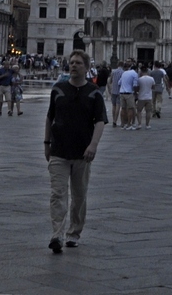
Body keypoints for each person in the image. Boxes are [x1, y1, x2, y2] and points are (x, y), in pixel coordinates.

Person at [45, 49, 106, 253]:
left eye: (78, 63)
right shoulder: (58, 89)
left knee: (79, 196)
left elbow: (99, 121)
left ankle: (73, 233)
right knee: (57, 194)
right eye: (71, 62)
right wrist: (47, 143)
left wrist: (93, 145)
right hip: (59, 150)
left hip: (82, 152)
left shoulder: (94, 92)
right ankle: (57, 235)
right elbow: (49, 117)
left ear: (87, 68)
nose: (73, 65)